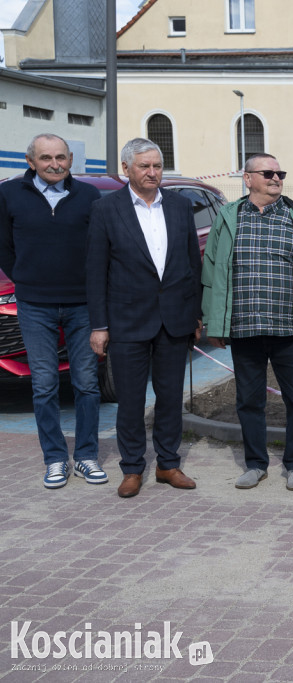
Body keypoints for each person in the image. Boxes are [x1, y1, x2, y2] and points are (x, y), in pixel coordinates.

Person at [203, 153, 293, 492]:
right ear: (247, 179)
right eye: (268, 173)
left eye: (280, 173)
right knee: (249, 401)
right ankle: (255, 464)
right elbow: (212, 273)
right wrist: (213, 322)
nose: (276, 178)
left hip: (289, 328)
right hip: (244, 327)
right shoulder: (228, 218)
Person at [87, 138, 202, 498]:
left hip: (174, 321)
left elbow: (190, 265)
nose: (152, 173)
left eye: (157, 166)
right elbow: (95, 271)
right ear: (127, 169)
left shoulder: (181, 207)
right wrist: (99, 325)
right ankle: (133, 468)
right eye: (144, 166)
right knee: (131, 400)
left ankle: (168, 464)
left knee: (170, 397)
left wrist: (195, 314)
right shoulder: (106, 209)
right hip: (127, 322)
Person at [0, 134, 104, 489]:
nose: (54, 164)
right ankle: (56, 459)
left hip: (82, 305)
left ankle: (87, 456)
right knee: (44, 385)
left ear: (71, 159)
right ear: (31, 161)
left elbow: (98, 248)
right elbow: (4, 247)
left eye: (61, 157)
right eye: (46, 158)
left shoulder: (89, 196)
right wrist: (27, 279)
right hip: (34, 305)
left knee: (87, 384)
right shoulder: (10, 194)